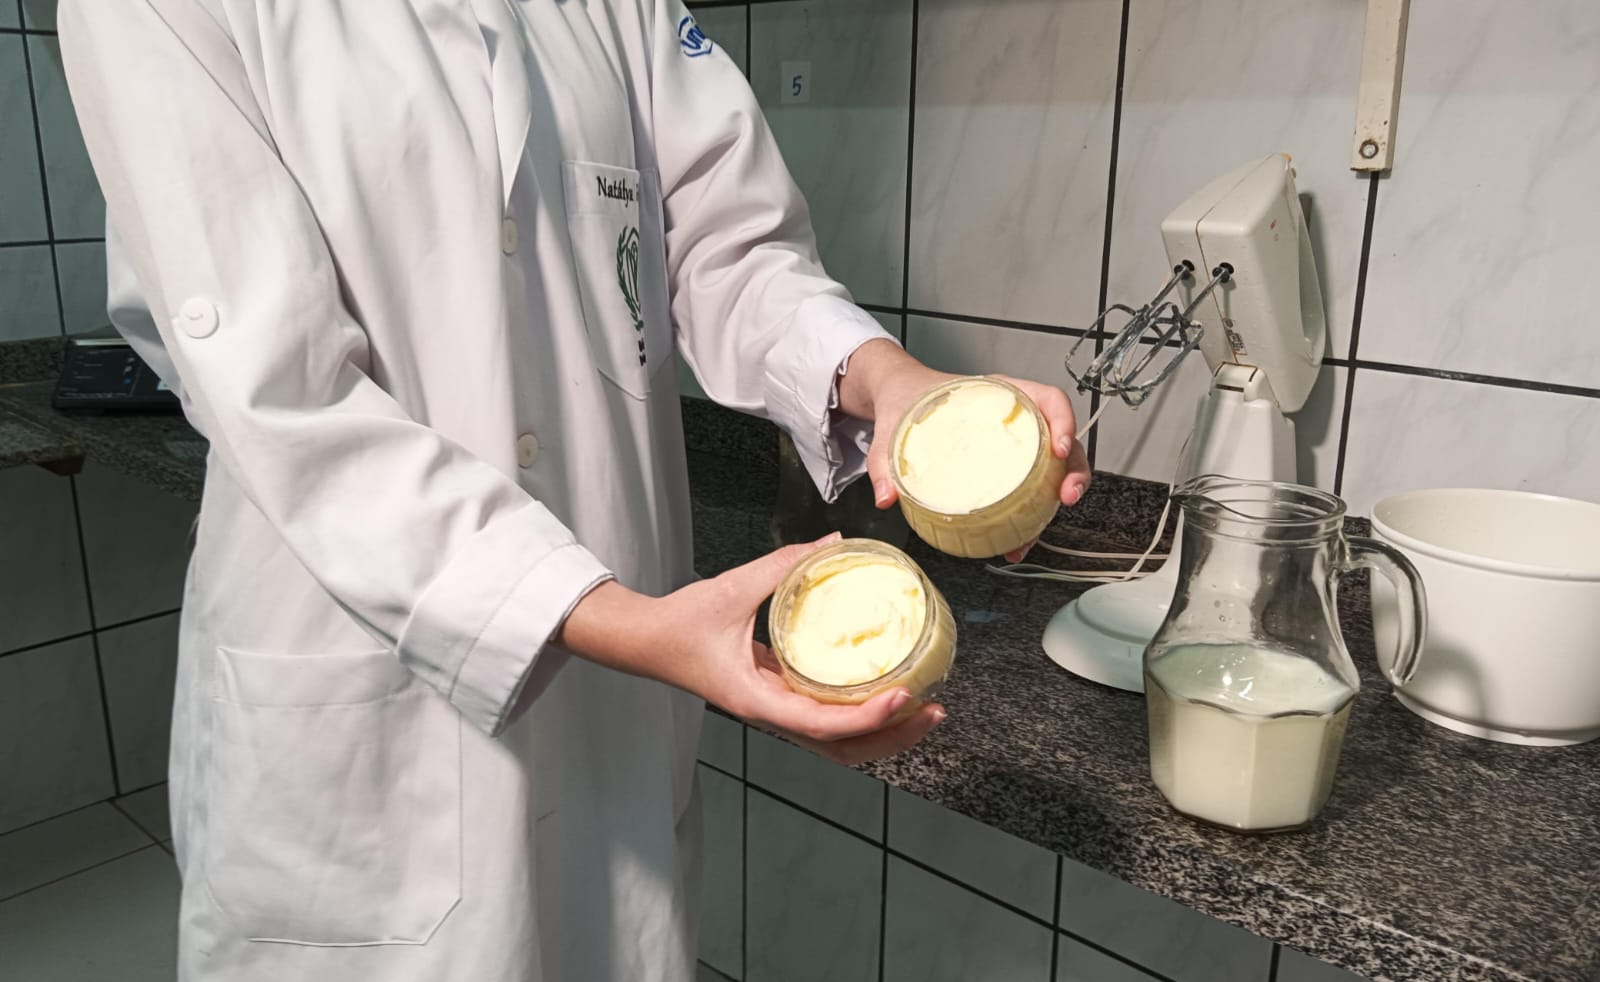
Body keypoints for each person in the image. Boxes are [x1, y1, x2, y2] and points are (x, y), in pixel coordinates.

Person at [60, 1, 1092, 979]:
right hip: (360, 692)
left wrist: (889, 381)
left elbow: (726, 247)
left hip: (614, 700)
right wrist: (633, 628)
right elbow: (281, 390)